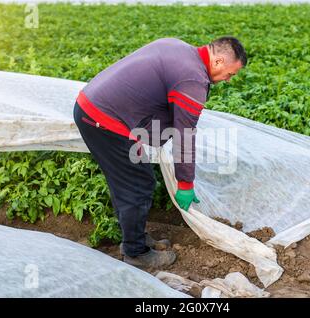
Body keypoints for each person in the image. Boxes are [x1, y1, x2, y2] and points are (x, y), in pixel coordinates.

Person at [73, 36, 247, 268]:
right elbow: (184, 134)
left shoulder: (177, 47)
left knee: (128, 181)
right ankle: (135, 253)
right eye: (230, 74)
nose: (227, 80)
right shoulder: (192, 79)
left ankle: (133, 237)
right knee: (138, 183)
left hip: (94, 107)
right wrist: (185, 183)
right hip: (102, 119)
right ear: (218, 61)